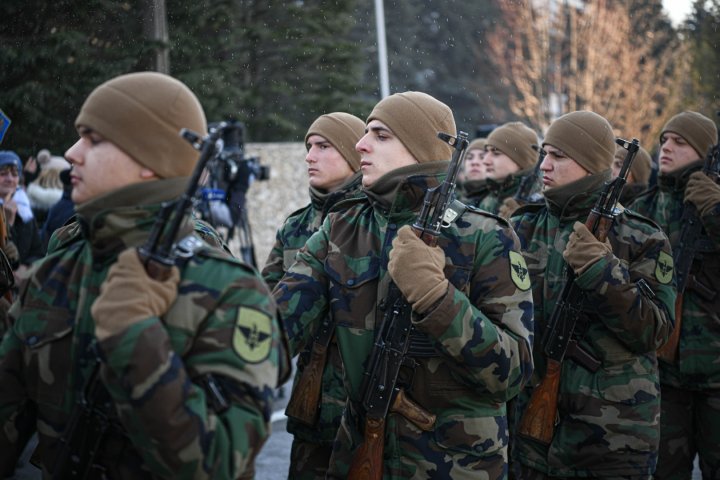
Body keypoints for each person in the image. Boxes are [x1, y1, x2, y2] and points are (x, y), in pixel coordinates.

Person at [0, 71, 289, 479]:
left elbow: (221, 465)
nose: (72, 153)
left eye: (94, 139)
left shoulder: (230, 291)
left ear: (149, 163)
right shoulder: (56, 272)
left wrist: (134, 335)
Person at [274, 91, 534, 478]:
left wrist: (436, 298)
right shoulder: (343, 228)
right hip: (357, 454)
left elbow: (511, 371)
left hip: (457, 466)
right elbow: (275, 329)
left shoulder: (484, 235)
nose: (360, 144)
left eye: (380, 135)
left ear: (419, 146)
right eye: (364, 133)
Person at [508, 110, 675, 479]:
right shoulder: (522, 227)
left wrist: (603, 272)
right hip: (531, 432)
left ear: (589, 163)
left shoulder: (640, 236)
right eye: (544, 154)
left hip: (614, 435)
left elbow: (656, 332)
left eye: (559, 156)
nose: (545, 165)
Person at [261, 111, 365, 479]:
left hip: (365, 404)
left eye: (323, 146)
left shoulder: (374, 222)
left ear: (354, 155)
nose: (310, 156)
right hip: (312, 407)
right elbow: (268, 302)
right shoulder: (297, 225)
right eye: (308, 147)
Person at [629, 111, 720, 479]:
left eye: (680, 142)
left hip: (717, 373)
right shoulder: (646, 208)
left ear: (704, 151)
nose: (667, 148)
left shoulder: (714, 200)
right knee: (666, 471)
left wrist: (715, 210)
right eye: (665, 140)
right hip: (663, 376)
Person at [477, 121, 539, 216]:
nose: (485, 160)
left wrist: (518, 222)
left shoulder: (540, 203)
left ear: (521, 160)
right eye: (486, 152)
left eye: (496, 153)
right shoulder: (489, 198)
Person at [0, 151, 43, 272]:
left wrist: (26, 268)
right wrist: (7, 224)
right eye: (3, 173)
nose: (10, 179)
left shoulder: (26, 212)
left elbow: (38, 252)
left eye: (14, 174)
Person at [458, 137, 489, 206]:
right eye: (469, 157)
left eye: (482, 157)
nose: (475, 162)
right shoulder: (453, 200)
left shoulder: (499, 202)